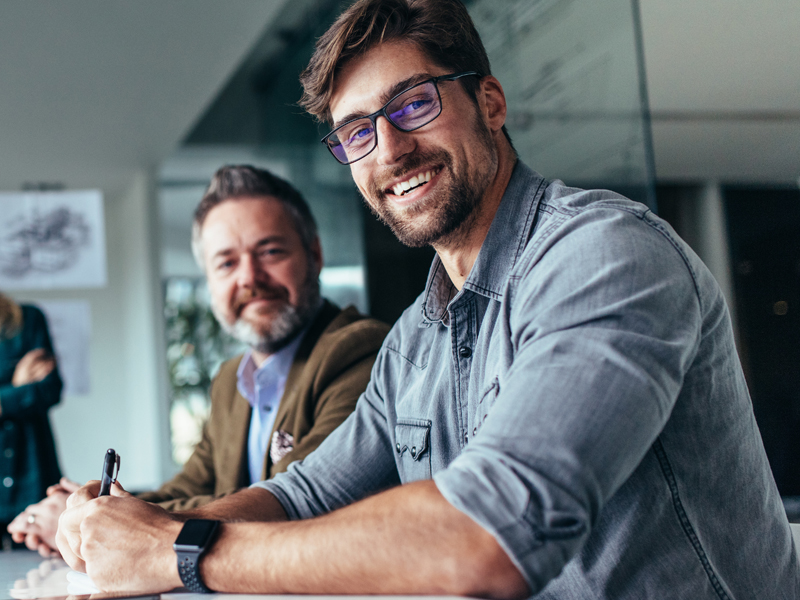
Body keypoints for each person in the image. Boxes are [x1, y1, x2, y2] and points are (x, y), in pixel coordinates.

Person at [57, 1, 799, 598]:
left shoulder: (604, 255)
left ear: (491, 101)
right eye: (356, 132)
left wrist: (181, 553)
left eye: (413, 104)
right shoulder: (417, 337)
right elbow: (305, 495)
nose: (389, 150)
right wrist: (136, 531)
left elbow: (487, 540)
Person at [10, 165, 388, 556]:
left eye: (270, 251)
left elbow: (294, 499)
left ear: (315, 254)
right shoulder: (231, 380)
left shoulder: (357, 351)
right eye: (226, 263)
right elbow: (191, 487)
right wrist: (94, 511)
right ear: (209, 281)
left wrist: (100, 520)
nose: (249, 278)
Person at [0, 293, 62, 546]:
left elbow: (50, 389)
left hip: (34, 474)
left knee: (46, 576)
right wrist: (18, 385)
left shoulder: (29, 319)